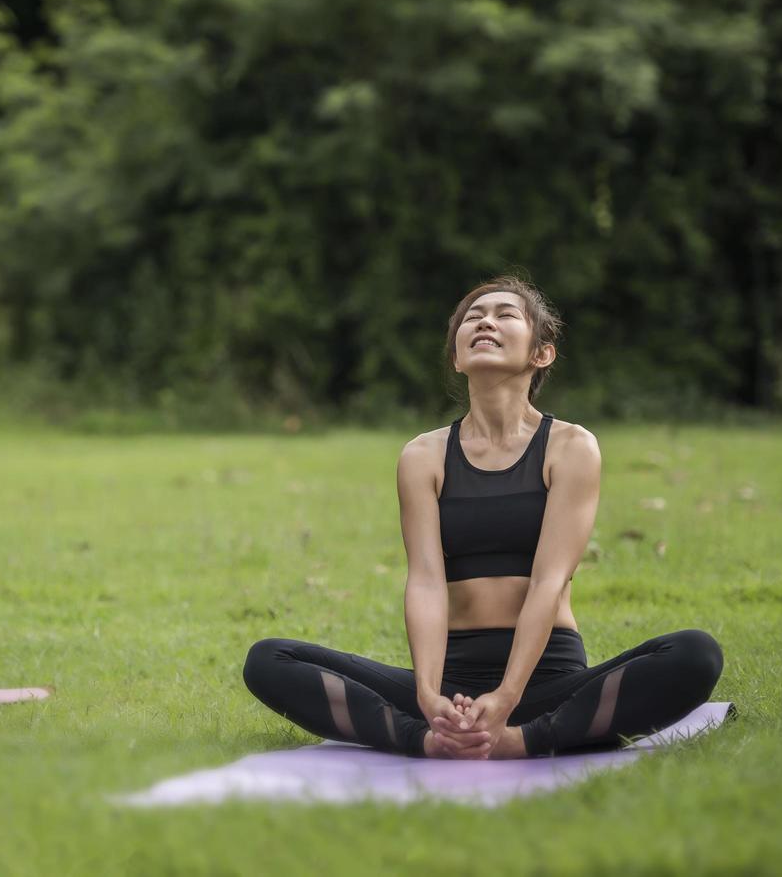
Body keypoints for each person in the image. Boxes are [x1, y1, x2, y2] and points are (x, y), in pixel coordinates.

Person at [243, 276, 723, 758]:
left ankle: (522, 739)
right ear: (457, 357)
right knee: (269, 660)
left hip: (546, 681)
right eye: (473, 317)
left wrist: (507, 697)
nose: (485, 321)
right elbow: (427, 582)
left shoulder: (571, 447)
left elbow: (548, 582)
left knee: (694, 654)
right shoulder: (423, 455)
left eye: (505, 315)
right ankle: (430, 740)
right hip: (452, 681)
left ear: (542, 354)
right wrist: (429, 697)